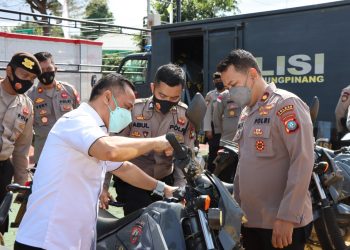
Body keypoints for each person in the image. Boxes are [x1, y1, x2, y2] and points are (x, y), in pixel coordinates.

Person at [15, 73, 177, 250]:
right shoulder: (77, 120)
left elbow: (125, 169)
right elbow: (110, 150)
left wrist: (164, 189)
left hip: (70, 241)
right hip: (46, 240)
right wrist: (156, 142)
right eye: (126, 107)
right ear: (108, 97)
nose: (128, 116)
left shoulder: (96, 130)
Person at [217, 49, 314, 250]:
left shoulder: (286, 105)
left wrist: (287, 217)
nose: (230, 93)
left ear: (252, 74)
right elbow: (244, 165)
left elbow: (302, 161)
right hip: (251, 221)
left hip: (281, 224)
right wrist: (236, 211)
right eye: (227, 88)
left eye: (233, 85)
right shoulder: (246, 113)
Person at [102, 63, 195, 215]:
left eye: (174, 98)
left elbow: (184, 158)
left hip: (166, 180)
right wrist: (104, 186)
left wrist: (181, 189)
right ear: (153, 88)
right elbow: (112, 149)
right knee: (141, 224)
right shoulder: (132, 110)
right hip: (133, 182)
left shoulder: (185, 116)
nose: (167, 101)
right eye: (162, 96)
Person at [0, 52, 41, 235]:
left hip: (3, 169)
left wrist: (22, 183)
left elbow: (22, 148)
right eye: (24, 75)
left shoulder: (27, 106)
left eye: (32, 78)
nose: (27, 81)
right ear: (9, 70)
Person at [27, 52, 80, 164]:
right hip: (44, 156)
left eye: (48, 68)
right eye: (41, 70)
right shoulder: (30, 97)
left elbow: (79, 119)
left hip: (70, 154)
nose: (45, 72)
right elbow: (27, 130)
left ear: (55, 69)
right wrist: (41, 140)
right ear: (36, 73)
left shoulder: (69, 91)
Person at [203, 72, 225, 172]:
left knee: (227, 152)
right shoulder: (210, 95)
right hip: (214, 128)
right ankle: (211, 176)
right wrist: (207, 129)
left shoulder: (231, 93)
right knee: (213, 152)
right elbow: (207, 113)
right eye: (216, 81)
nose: (219, 82)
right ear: (213, 82)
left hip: (228, 128)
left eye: (220, 80)